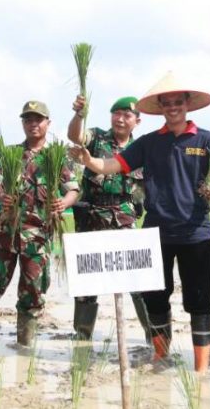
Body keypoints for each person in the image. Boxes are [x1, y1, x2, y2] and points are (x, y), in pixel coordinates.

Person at [74, 71, 210, 373]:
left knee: (200, 300)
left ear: (187, 104)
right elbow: (113, 165)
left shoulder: (207, 140)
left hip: (197, 234)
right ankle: (160, 357)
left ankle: (201, 369)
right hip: (156, 234)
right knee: (155, 298)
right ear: (161, 108)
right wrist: (89, 161)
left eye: (178, 102)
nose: (173, 107)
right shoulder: (150, 143)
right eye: (167, 103)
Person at [0, 100, 80, 347]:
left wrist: (64, 203)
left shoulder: (56, 157)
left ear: (48, 123)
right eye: (28, 120)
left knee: (33, 290)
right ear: (23, 123)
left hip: (37, 237)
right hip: (6, 234)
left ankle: (25, 345)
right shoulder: (10, 153)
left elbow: (73, 189)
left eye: (38, 119)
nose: (33, 124)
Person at [66, 94, 152, 343]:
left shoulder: (141, 149)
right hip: (92, 217)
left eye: (127, 115)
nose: (121, 119)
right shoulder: (97, 137)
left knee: (140, 282)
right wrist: (79, 115)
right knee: (86, 285)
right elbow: (76, 136)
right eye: (117, 114)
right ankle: (82, 338)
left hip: (125, 219)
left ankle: (153, 337)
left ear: (137, 120)